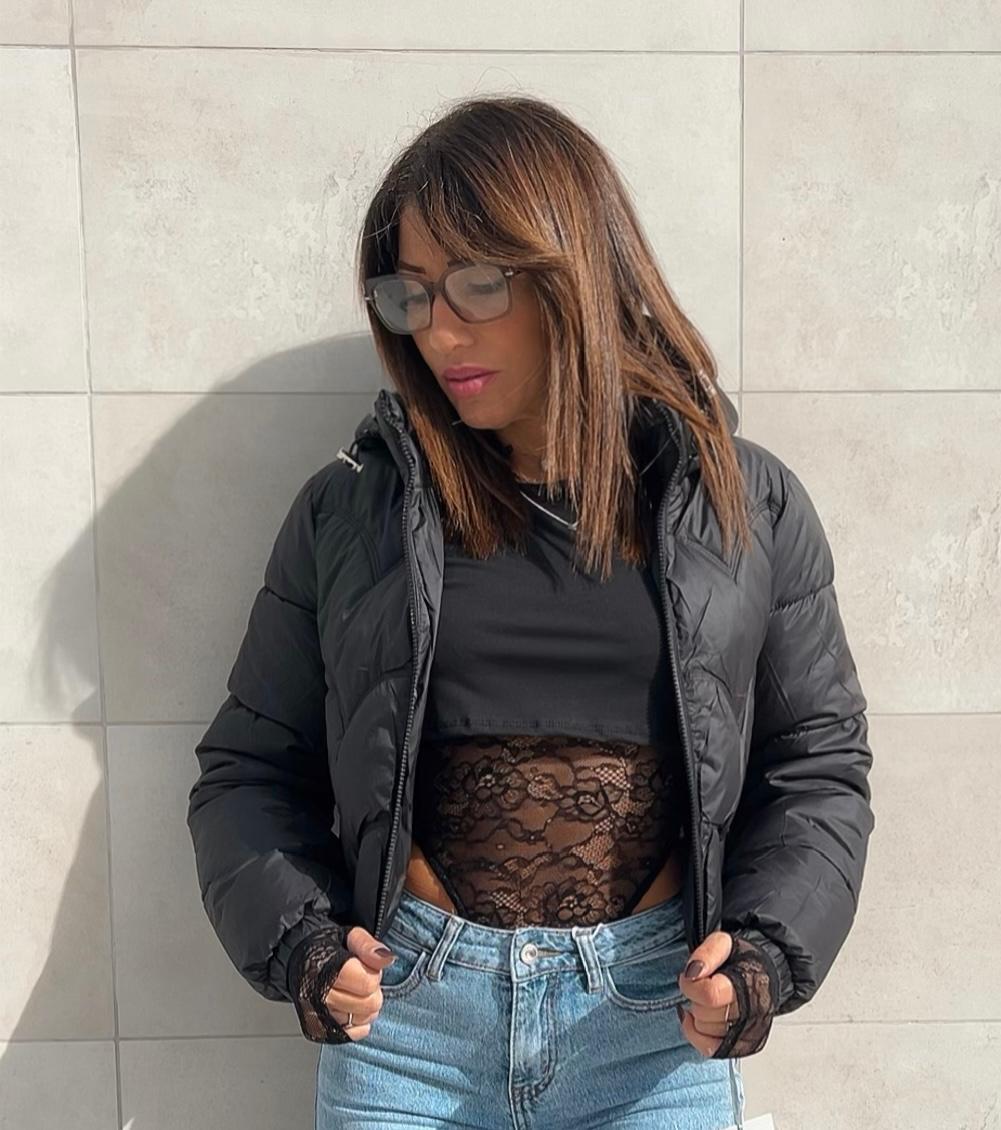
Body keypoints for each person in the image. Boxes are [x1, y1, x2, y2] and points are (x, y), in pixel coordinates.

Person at [187, 93, 875, 1129]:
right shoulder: (353, 507)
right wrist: (304, 944)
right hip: (409, 1032)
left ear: (575, 271)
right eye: (411, 295)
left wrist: (766, 954)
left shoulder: (743, 501)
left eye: (477, 283)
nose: (438, 330)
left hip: (653, 1029)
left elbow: (815, 762)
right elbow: (250, 766)